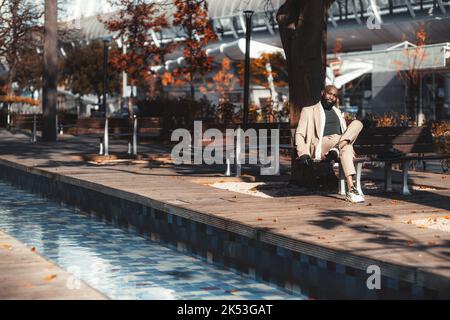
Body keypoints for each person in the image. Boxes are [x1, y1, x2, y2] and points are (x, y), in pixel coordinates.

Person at [295, 85, 365, 203]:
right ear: (323, 93)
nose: (331, 97)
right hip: (322, 143)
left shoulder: (338, 112)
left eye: (334, 96)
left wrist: (340, 143)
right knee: (346, 146)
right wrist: (303, 153)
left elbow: (346, 132)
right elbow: (299, 134)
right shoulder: (308, 110)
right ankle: (351, 189)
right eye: (329, 94)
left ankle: (351, 189)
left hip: (339, 142)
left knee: (358, 123)